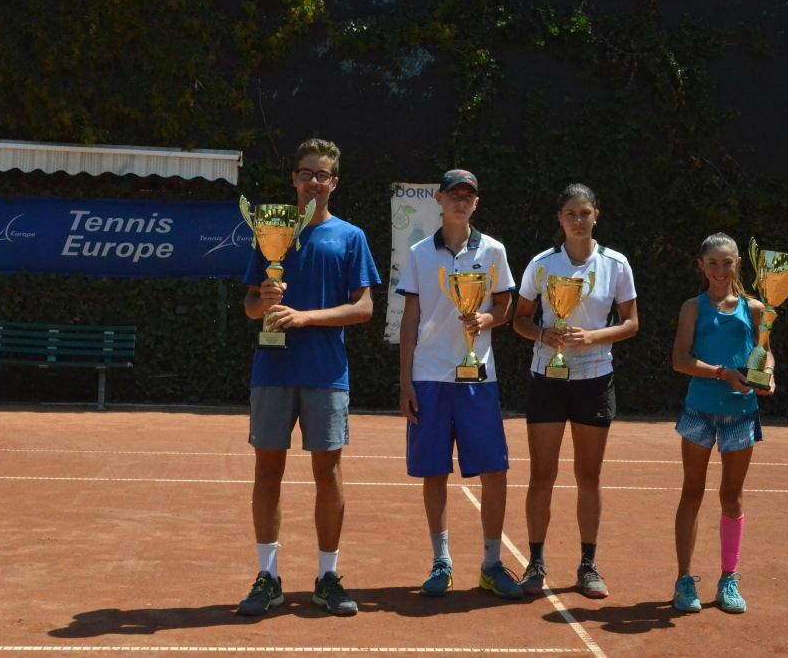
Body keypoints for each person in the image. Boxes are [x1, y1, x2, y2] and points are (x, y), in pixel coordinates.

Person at [237, 138, 381, 617]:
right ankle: (269, 577)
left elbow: (364, 308)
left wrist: (305, 318)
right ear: (294, 179)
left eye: (322, 175)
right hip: (272, 371)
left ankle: (327, 577)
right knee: (267, 472)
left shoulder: (350, 237)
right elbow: (251, 305)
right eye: (306, 174)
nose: (313, 182)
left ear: (333, 183)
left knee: (328, 473)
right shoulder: (269, 232)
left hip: (325, 373)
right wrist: (265, 300)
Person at [397, 169, 523, 600]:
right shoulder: (419, 253)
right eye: (454, 195)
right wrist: (405, 381)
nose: (460, 202)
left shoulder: (494, 250)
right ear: (439, 198)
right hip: (429, 376)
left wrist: (488, 318)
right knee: (434, 472)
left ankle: (491, 564)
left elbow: (505, 304)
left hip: (478, 376)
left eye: (468, 196)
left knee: (495, 470)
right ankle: (441, 562)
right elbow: (410, 319)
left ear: (476, 204)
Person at [512, 183, 638, 599]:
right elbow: (520, 319)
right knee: (541, 475)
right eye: (571, 213)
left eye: (585, 213)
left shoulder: (616, 264)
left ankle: (588, 565)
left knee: (588, 476)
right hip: (547, 378)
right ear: (560, 219)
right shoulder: (541, 264)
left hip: (595, 379)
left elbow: (631, 323)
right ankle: (535, 563)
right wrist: (543, 334)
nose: (578, 220)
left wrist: (594, 337)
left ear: (596, 215)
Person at [669, 232, 775, 614]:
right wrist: (721, 373)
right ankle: (684, 580)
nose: (719, 270)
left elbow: (766, 353)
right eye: (712, 262)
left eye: (726, 262)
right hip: (699, 411)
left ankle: (729, 579)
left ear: (737, 265)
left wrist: (769, 375)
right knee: (692, 492)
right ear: (701, 266)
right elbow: (680, 360)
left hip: (741, 414)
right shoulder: (692, 308)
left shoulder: (756, 308)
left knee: (732, 496)